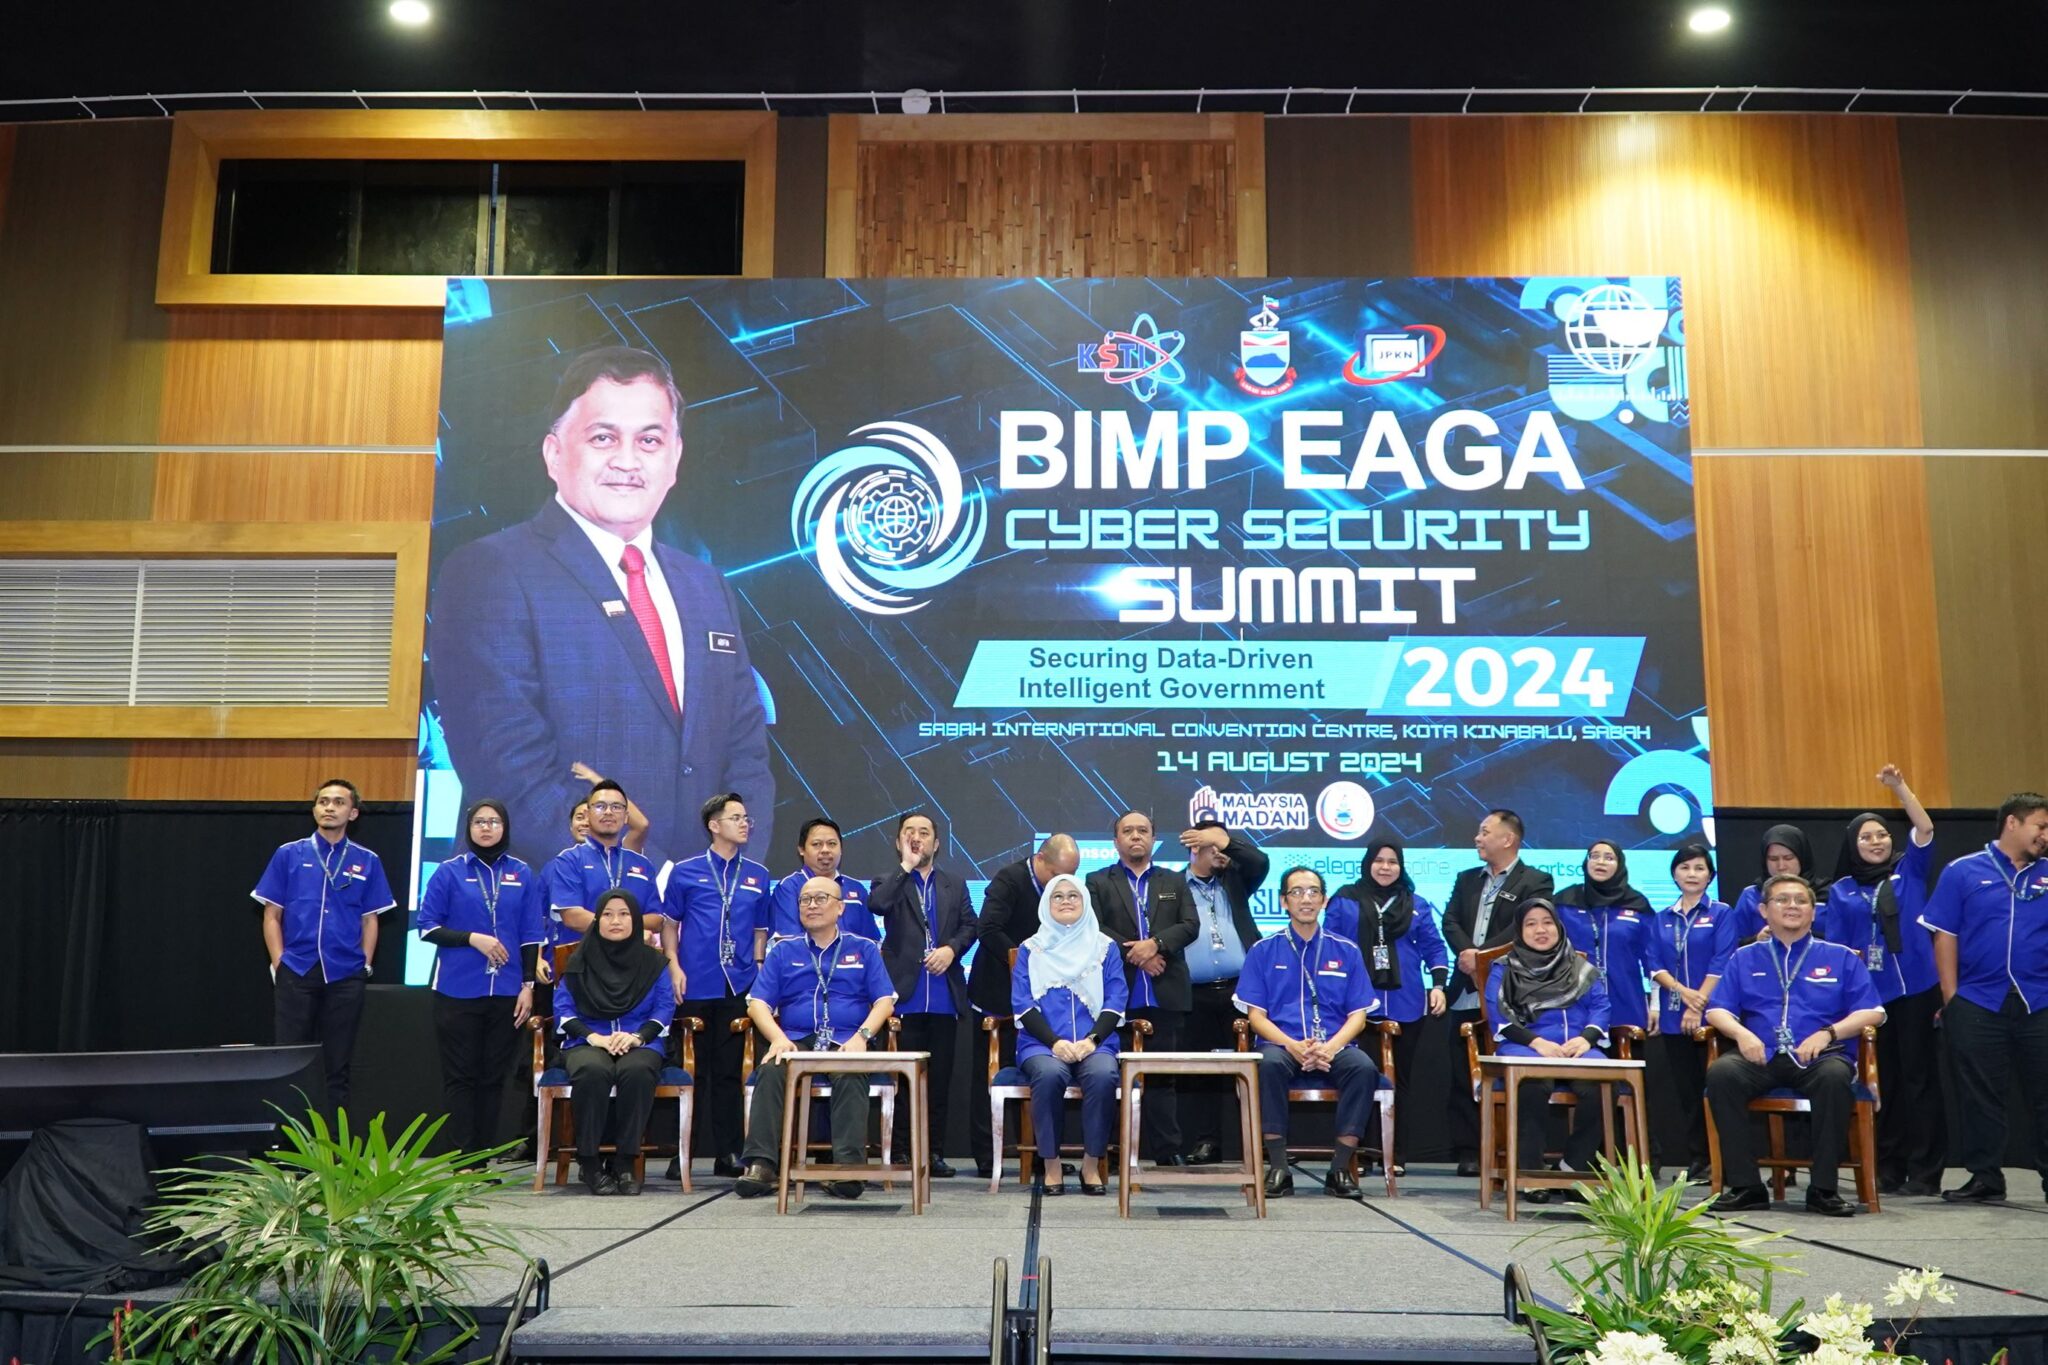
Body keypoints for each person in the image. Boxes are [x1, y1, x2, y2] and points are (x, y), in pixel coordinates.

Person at [428, 345, 774, 868]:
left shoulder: (708, 588)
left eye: (649, 440)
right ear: (553, 454)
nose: (627, 461)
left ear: (675, 458)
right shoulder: (489, 572)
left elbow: (747, 755)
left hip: (705, 908)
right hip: (560, 905)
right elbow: (511, 771)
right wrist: (649, 881)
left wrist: (722, 877)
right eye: (603, 438)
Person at [1704, 874, 1886, 1217]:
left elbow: (1873, 1011)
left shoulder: (1841, 957)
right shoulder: (1744, 957)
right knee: (1722, 1074)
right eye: (1782, 900)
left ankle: (1823, 1189)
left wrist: (1829, 1033)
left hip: (1821, 1056)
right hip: (1761, 1054)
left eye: (1801, 901)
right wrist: (1742, 1034)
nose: (1793, 907)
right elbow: (1717, 1010)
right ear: (1764, 910)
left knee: (1834, 1078)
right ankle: (1747, 1186)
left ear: (1813, 912)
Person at [1919, 791, 2048, 1204]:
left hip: (2040, 1000)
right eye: (2041, 826)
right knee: (1979, 1095)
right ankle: (1985, 1177)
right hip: (1978, 1001)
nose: (2046, 836)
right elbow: (1945, 934)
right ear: (2012, 823)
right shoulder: (1962, 871)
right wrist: (1952, 998)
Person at [734, 876, 897, 1201]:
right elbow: (757, 1004)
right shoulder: (783, 951)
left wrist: (862, 1036)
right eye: (805, 900)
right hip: (797, 1040)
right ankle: (762, 1166)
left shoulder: (864, 948)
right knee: (771, 1069)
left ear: (840, 908)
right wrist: (778, 1038)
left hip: (845, 1040)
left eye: (821, 898)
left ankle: (849, 1169)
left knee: (850, 1071)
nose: (811, 905)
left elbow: (885, 1001)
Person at [1821, 766, 1941, 1196]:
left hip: (1917, 991)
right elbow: (1838, 950)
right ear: (1852, 846)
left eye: (1882, 835)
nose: (1876, 842)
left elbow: (1924, 828)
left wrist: (1899, 788)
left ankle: (1926, 1172)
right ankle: (1889, 1167)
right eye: (1866, 837)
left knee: (1920, 1081)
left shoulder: (1909, 871)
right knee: (1882, 1082)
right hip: (1871, 1000)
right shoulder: (1841, 890)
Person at [252, 778, 396, 1113]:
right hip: (297, 970)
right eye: (323, 801)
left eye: (339, 802)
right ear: (315, 809)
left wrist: (365, 965)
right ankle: (290, 1140)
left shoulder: (368, 860)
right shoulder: (289, 854)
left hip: (345, 974)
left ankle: (332, 1140)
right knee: (289, 1061)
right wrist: (280, 963)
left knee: (337, 1064)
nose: (329, 808)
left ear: (353, 813)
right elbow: (271, 915)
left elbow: (370, 919)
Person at [1235, 868, 1382, 1197]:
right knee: (1268, 1065)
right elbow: (1255, 1016)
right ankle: (1278, 1168)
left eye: (1314, 892)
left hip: (1335, 1045)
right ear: (1283, 901)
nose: (1306, 899)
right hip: (1280, 1043)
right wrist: (1292, 1045)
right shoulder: (1263, 950)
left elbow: (1358, 1016)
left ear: (1324, 900)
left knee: (1363, 1068)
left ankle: (1340, 1169)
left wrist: (1330, 1047)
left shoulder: (1346, 950)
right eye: (1297, 892)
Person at [417, 799, 544, 1161]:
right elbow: (427, 927)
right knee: (461, 1076)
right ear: (469, 828)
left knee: (493, 1078)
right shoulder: (448, 872)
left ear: (505, 828)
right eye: (479, 822)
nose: (486, 828)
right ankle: (463, 1157)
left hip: (507, 992)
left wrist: (528, 986)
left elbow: (531, 935)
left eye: (494, 822)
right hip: (457, 990)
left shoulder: (522, 873)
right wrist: (472, 938)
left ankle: (483, 1157)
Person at [659, 792, 773, 1180]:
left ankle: (729, 1152)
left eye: (746, 818)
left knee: (729, 1072)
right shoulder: (685, 871)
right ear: (714, 825)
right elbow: (670, 924)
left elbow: (760, 930)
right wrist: (673, 964)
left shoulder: (758, 874)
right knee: (691, 1071)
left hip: (738, 984)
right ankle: (682, 1153)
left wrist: (758, 969)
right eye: (736, 817)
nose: (744, 824)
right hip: (694, 982)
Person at [1326, 836, 1450, 1177]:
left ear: (1401, 866)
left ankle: (1396, 1154)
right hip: (1354, 1007)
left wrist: (1439, 986)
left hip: (1407, 1004)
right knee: (1360, 1078)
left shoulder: (1417, 903)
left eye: (1392, 861)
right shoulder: (1345, 899)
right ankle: (1359, 1153)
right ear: (1368, 863)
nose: (1385, 867)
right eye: (1379, 861)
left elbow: (1434, 947)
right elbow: (1330, 946)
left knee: (1400, 1081)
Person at [1441, 809, 1555, 1176]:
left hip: (1511, 989)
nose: (1477, 838)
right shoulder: (1466, 879)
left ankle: (1515, 1150)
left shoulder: (1536, 881)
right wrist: (1467, 955)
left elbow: (1523, 928)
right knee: (1464, 1072)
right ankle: (1470, 1150)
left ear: (1508, 839)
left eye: (1484, 832)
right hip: (1465, 989)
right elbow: (1450, 921)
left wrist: (1482, 957)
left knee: (1513, 1071)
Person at [869, 811, 978, 1177]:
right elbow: (878, 905)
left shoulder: (954, 884)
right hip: (904, 996)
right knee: (903, 1080)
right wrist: (906, 866)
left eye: (924, 832)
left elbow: (970, 925)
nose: (917, 837)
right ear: (899, 841)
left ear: (937, 842)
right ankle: (902, 1149)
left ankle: (933, 1152)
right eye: (909, 832)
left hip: (945, 996)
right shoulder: (888, 881)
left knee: (939, 1081)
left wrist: (951, 950)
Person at [1087, 810, 1198, 1166]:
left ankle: (1167, 1150)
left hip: (1166, 991)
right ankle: (1110, 1150)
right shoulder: (1097, 881)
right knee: (1111, 1076)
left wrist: (1156, 945)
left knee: (1163, 1076)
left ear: (1153, 839)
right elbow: (1093, 927)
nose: (1136, 836)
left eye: (1143, 831)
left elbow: (1190, 925)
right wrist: (1137, 954)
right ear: (1116, 841)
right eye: (1128, 831)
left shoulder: (1174, 880)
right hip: (1117, 994)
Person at [968, 834, 1081, 1180]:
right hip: (997, 994)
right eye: (1058, 875)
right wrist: (1023, 960)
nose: (1063, 884)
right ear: (1040, 859)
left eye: (1071, 877)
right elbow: (987, 929)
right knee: (991, 1076)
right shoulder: (1009, 879)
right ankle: (988, 1156)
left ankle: (1041, 1155)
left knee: (1040, 1075)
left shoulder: (1063, 890)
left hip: (1042, 1000)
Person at [1485, 899, 1612, 1203]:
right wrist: (1537, 1043)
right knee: (1533, 1084)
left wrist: (1586, 1039)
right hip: (1527, 1046)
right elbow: (1498, 1011)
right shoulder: (1504, 968)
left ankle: (1573, 1167)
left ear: (1558, 926)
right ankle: (1531, 1173)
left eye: (1547, 922)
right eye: (1530, 924)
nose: (1540, 930)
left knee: (1600, 1085)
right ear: (1519, 931)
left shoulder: (1582, 968)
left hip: (1576, 1047)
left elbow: (1601, 1006)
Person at [1011, 874, 1128, 1196]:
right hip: (1041, 1044)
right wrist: (1055, 1042)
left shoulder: (1105, 948)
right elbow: (1022, 1004)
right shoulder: (1031, 949)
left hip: (1097, 1044)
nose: (1066, 901)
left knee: (1103, 1074)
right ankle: (1051, 1164)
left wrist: (1092, 1040)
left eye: (1073, 895)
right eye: (1058, 896)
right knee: (1049, 1074)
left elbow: (1116, 999)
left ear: (1085, 901)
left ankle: (1091, 1164)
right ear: (1046, 904)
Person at [557, 888, 674, 1195]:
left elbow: (664, 1006)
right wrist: (594, 1037)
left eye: (624, 914)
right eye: (607, 915)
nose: (616, 921)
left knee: (637, 1071)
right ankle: (590, 1163)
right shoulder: (578, 961)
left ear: (635, 920)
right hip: (588, 1041)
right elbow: (563, 1009)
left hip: (639, 1042)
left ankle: (624, 1162)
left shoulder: (654, 963)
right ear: (598, 920)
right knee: (592, 1070)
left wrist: (637, 1037)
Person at [1176, 820, 1270, 1166]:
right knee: (1201, 1072)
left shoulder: (1236, 879)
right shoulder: (1173, 886)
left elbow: (1260, 861)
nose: (1221, 854)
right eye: (1212, 846)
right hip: (1193, 991)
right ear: (1194, 847)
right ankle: (1206, 1141)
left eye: (1223, 846)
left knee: (1249, 1066)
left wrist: (1225, 842)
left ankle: (1255, 1139)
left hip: (1239, 989)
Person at [1648, 842, 1735, 1181]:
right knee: (1687, 1092)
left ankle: (1723, 1159)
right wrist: (1683, 994)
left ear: (1710, 875)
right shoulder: (1661, 917)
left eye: (1699, 868)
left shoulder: (1721, 913)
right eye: (1685, 867)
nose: (1692, 874)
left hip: (1714, 1015)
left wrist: (1698, 1003)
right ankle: (1700, 1159)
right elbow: (1654, 963)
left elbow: (1722, 960)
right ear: (1674, 874)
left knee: (1716, 1088)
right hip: (1674, 1014)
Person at [1554, 841, 1656, 1043]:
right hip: (1576, 1004)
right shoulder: (1564, 902)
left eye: (1609, 858)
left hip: (1626, 1003)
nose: (1600, 862)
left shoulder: (1637, 905)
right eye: (1595, 856)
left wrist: (1656, 1005)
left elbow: (1653, 960)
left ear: (1620, 865)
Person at [544, 780, 659, 947]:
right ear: (589, 814)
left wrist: (620, 929)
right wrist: (626, 931)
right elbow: (572, 916)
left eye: (616, 807)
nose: (608, 812)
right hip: (583, 956)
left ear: (626, 817)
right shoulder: (569, 859)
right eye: (600, 806)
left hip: (633, 958)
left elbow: (656, 919)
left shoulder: (643, 864)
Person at [767, 818, 879, 941]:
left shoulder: (856, 888)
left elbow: (870, 941)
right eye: (816, 844)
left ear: (841, 849)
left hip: (853, 954)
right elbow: (787, 942)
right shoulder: (789, 887)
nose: (825, 850)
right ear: (801, 850)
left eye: (832, 844)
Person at [1729, 825, 1824, 942]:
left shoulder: (1827, 894)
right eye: (1773, 859)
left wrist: (1798, 934)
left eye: (1788, 858)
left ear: (1802, 858)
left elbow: (1838, 939)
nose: (1781, 866)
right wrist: (1756, 939)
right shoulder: (1751, 895)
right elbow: (1733, 943)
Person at [569, 762, 650, 853]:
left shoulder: (621, 854)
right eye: (580, 817)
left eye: (590, 818)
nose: (585, 823)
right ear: (571, 826)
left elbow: (641, 825)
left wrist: (598, 782)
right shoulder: (564, 859)